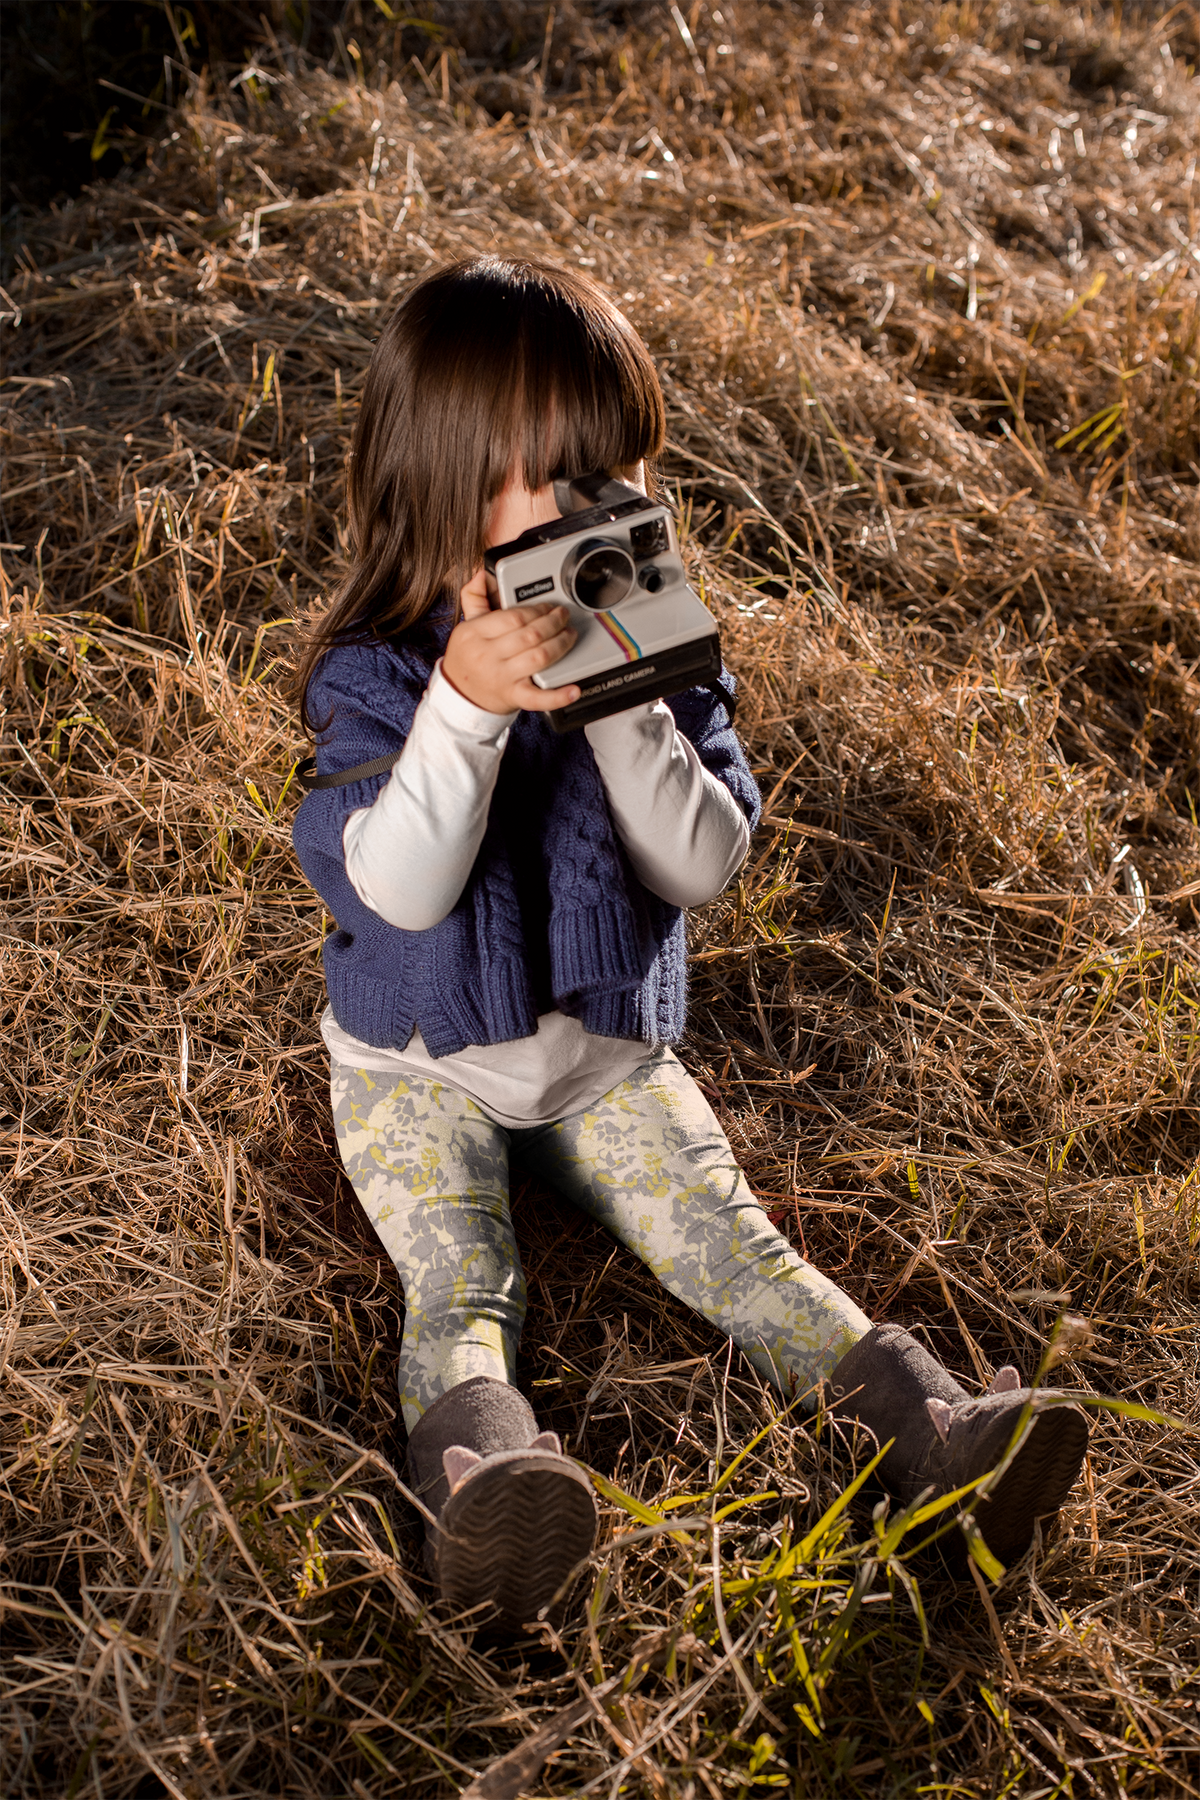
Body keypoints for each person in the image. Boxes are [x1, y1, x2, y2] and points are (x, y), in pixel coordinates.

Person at [291, 255, 1089, 1632]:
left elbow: (703, 859)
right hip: (415, 1061)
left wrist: (626, 703)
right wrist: (472, 716)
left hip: (599, 1053)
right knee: (460, 1271)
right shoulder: (380, 676)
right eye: (563, 484)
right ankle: (491, 1486)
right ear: (444, 493)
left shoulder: (664, 654)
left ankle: (941, 1436)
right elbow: (402, 890)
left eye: (625, 482)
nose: (605, 518)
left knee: (731, 1241)